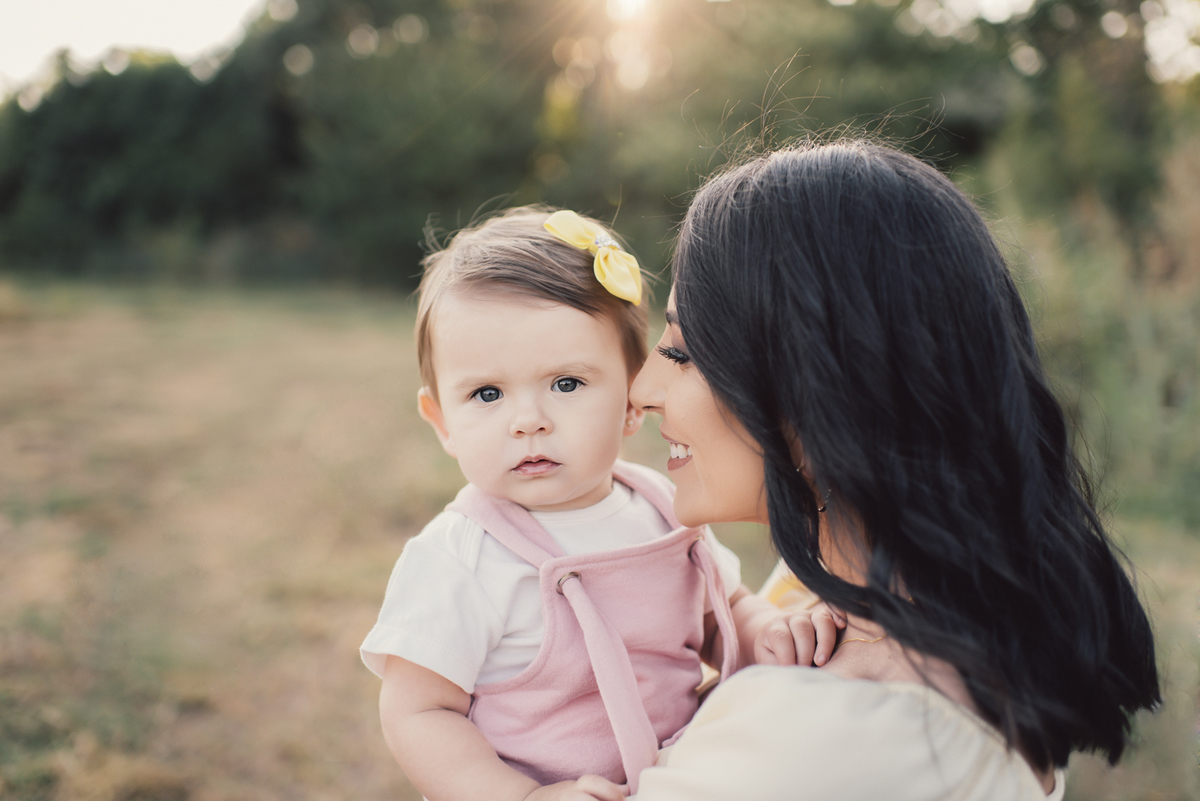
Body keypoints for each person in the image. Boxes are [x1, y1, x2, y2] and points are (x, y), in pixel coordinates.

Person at [626, 140, 1161, 800]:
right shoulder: (898, 607)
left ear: (814, 382)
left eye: (679, 351)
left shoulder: (836, 735)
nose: (641, 389)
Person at [361, 207, 838, 801]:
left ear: (633, 398)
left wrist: (769, 631)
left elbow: (721, 610)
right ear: (442, 422)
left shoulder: (663, 507)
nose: (528, 421)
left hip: (679, 776)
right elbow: (418, 713)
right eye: (487, 394)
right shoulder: (460, 557)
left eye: (567, 384)